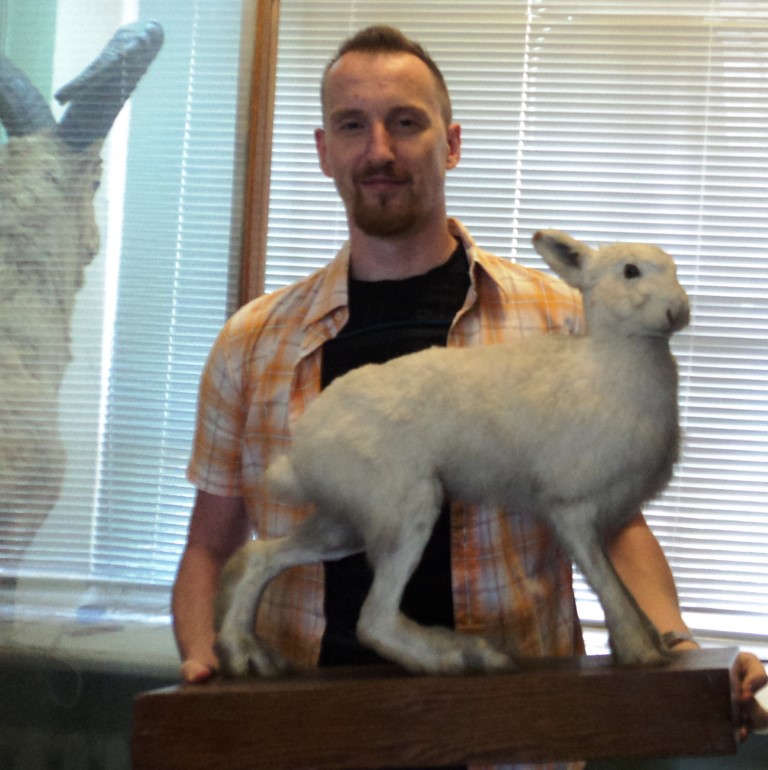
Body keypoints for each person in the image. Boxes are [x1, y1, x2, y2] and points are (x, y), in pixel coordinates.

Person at [172, 24, 767, 769]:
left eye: (406, 122)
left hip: (512, 738)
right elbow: (210, 542)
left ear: (450, 144)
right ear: (323, 150)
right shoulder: (252, 342)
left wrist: (678, 652)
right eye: (352, 126)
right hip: (313, 736)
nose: (379, 150)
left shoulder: (562, 318)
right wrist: (203, 660)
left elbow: (615, 518)